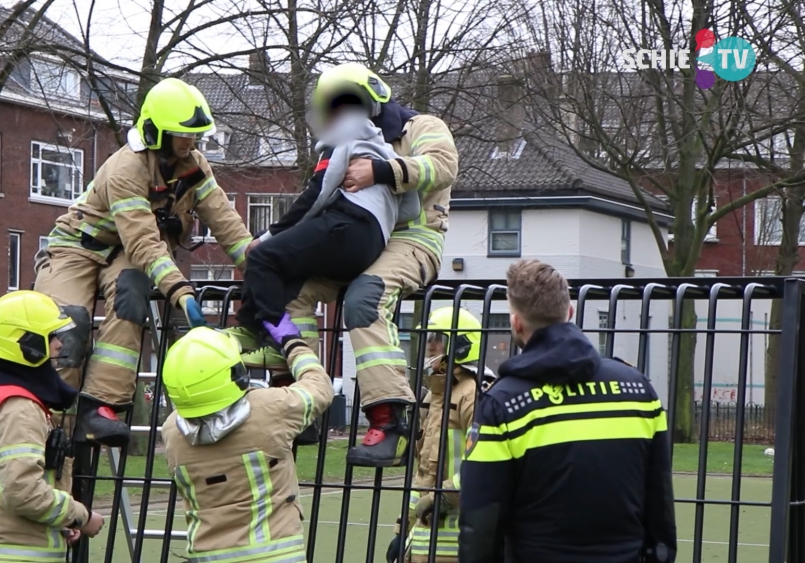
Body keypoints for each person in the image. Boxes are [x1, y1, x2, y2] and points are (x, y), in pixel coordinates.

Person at [240, 62, 459, 467]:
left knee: (366, 297)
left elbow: (444, 167)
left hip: (413, 240)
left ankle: (388, 421)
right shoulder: (350, 136)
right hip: (362, 238)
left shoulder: (421, 126)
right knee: (291, 288)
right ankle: (298, 399)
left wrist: (382, 170)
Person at [33, 77, 254, 447]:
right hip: (76, 247)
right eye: (183, 134)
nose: (193, 142)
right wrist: (181, 292)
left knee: (131, 292)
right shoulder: (126, 170)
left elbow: (227, 223)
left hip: (122, 251)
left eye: (196, 134)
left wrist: (259, 269)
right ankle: (51, 418)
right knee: (66, 323)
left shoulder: (194, 166)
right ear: (156, 133)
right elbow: (144, 244)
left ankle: (100, 407)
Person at [457, 260, 677, 563]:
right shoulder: (638, 390)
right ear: (570, 312)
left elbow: (481, 519)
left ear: (516, 323)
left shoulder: (502, 403)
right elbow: (660, 499)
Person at [225, 100, 419, 354]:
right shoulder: (386, 152)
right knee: (291, 272)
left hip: (348, 224)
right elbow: (411, 208)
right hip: (373, 244)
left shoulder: (344, 138)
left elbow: (317, 193)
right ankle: (259, 328)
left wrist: (268, 236)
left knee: (263, 257)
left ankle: (271, 337)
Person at [161, 315, 334, 563]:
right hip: (278, 553)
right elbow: (320, 387)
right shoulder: (270, 408)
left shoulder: (172, 431)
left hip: (206, 555)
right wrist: (293, 343)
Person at [0, 290, 105, 562]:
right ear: (28, 344)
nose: (59, 345)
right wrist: (81, 516)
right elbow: (25, 493)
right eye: (51, 337)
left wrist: (60, 522)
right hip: (17, 554)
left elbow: (8, 488)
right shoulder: (19, 408)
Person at [388, 307, 493, 563]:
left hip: (458, 541)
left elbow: (484, 463)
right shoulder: (433, 396)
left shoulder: (473, 395)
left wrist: (443, 497)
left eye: (438, 338)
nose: (430, 345)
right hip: (424, 542)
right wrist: (403, 529)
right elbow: (423, 473)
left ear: (460, 346)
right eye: (429, 338)